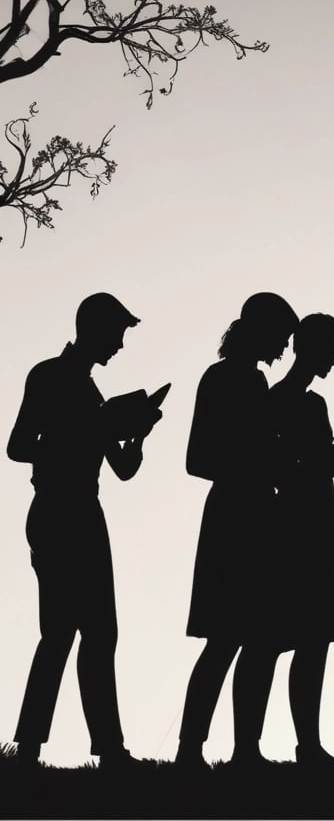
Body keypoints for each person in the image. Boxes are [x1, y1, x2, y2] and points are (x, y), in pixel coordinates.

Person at [7, 292, 162, 769]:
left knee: (98, 634)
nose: (119, 345)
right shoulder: (49, 376)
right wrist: (79, 436)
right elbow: (17, 446)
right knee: (61, 634)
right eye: (117, 334)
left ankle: (104, 749)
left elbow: (122, 469)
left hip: (84, 514)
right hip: (58, 511)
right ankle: (33, 748)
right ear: (93, 329)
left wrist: (137, 436)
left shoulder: (95, 395)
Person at [242, 313, 334, 766]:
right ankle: (249, 747)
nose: (333, 360)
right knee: (268, 641)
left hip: (317, 523)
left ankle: (307, 745)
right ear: (306, 348)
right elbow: (290, 464)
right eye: (329, 351)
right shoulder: (277, 401)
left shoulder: (314, 404)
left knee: (314, 640)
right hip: (289, 527)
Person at [176, 292, 298, 769]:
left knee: (257, 638)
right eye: (282, 337)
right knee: (227, 639)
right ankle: (193, 750)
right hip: (235, 517)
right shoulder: (226, 379)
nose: (284, 348)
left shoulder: (248, 379)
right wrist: (260, 464)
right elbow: (198, 460)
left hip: (253, 514)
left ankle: (243, 749)